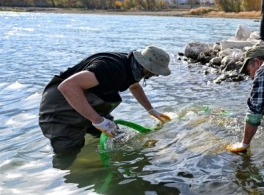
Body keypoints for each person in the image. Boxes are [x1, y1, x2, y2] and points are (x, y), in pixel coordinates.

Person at [39, 46, 172, 161]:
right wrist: (98, 120)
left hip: (88, 106)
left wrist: (151, 110)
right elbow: (68, 87)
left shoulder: (132, 67)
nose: (156, 75)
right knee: (67, 154)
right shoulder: (111, 67)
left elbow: (135, 86)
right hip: (60, 108)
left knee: (117, 138)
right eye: (156, 72)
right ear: (147, 67)